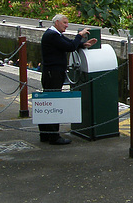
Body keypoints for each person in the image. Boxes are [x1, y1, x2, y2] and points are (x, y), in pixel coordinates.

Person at [39, 14, 97, 145]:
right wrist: (80, 35)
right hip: (53, 73)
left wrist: (82, 45)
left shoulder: (54, 34)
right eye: (65, 23)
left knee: (48, 100)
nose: (67, 25)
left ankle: (45, 134)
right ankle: (53, 136)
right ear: (57, 22)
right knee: (53, 102)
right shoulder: (52, 35)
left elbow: (68, 44)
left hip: (51, 72)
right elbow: (70, 47)